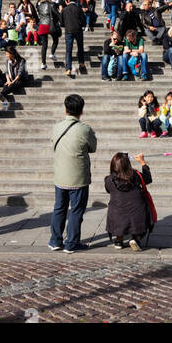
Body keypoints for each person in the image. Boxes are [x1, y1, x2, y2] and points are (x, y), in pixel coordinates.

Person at [48, 94, 97, 252]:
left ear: (65, 108)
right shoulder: (85, 129)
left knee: (59, 208)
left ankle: (55, 241)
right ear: (81, 111)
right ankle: (71, 243)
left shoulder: (57, 126)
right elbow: (93, 148)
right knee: (76, 211)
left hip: (60, 175)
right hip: (78, 178)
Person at [105, 151, 155, 251]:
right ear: (128, 164)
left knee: (117, 210)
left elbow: (108, 190)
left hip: (117, 214)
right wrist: (143, 163)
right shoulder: (136, 175)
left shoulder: (109, 179)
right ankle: (136, 239)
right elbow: (148, 179)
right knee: (138, 212)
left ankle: (119, 240)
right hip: (137, 212)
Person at [62, 0, 87, 78]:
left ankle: (68, 68)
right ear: (76, 0)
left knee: (68, 50)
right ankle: (81, 63)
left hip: (68, 30)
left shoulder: (64, 9)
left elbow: (61, 22)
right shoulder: (79, 9)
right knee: (80, 47)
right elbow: (84, 21)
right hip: (78, 30)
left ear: (68, 0)